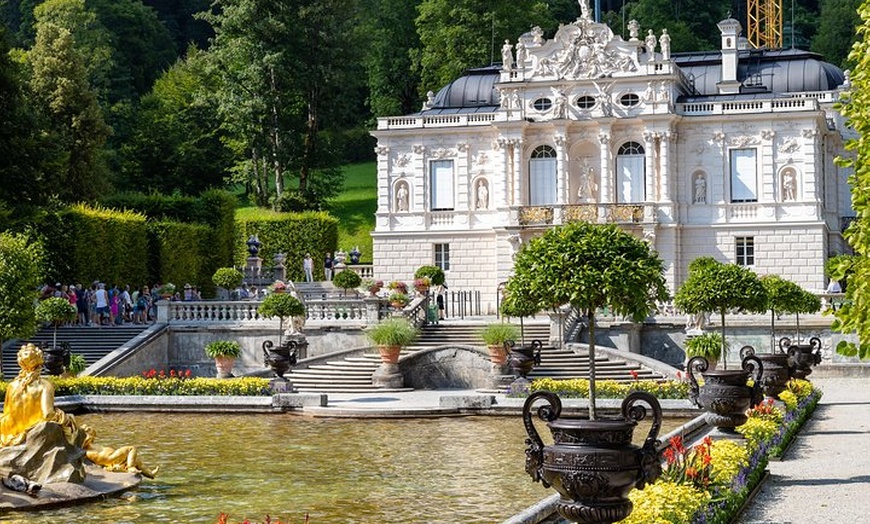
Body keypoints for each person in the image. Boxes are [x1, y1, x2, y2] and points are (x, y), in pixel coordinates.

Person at [0, 344, 80, 447]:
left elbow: (7, 412)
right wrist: (64, 417)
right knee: (70, 422)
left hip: (10, 430)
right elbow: (47, 414)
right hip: (30, 430)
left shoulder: (11, 386)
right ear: (39, 361)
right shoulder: (45, 386)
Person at [81, 425, 159, 478]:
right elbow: (82, 442)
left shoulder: (91, 444)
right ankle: (131, 467)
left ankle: (150, 473)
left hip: (112, 459)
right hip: (110, 457)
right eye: (89, 434)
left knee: (137, 461)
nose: (91, 436)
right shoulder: (84, 445)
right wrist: (87, 435)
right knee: (131, 449)